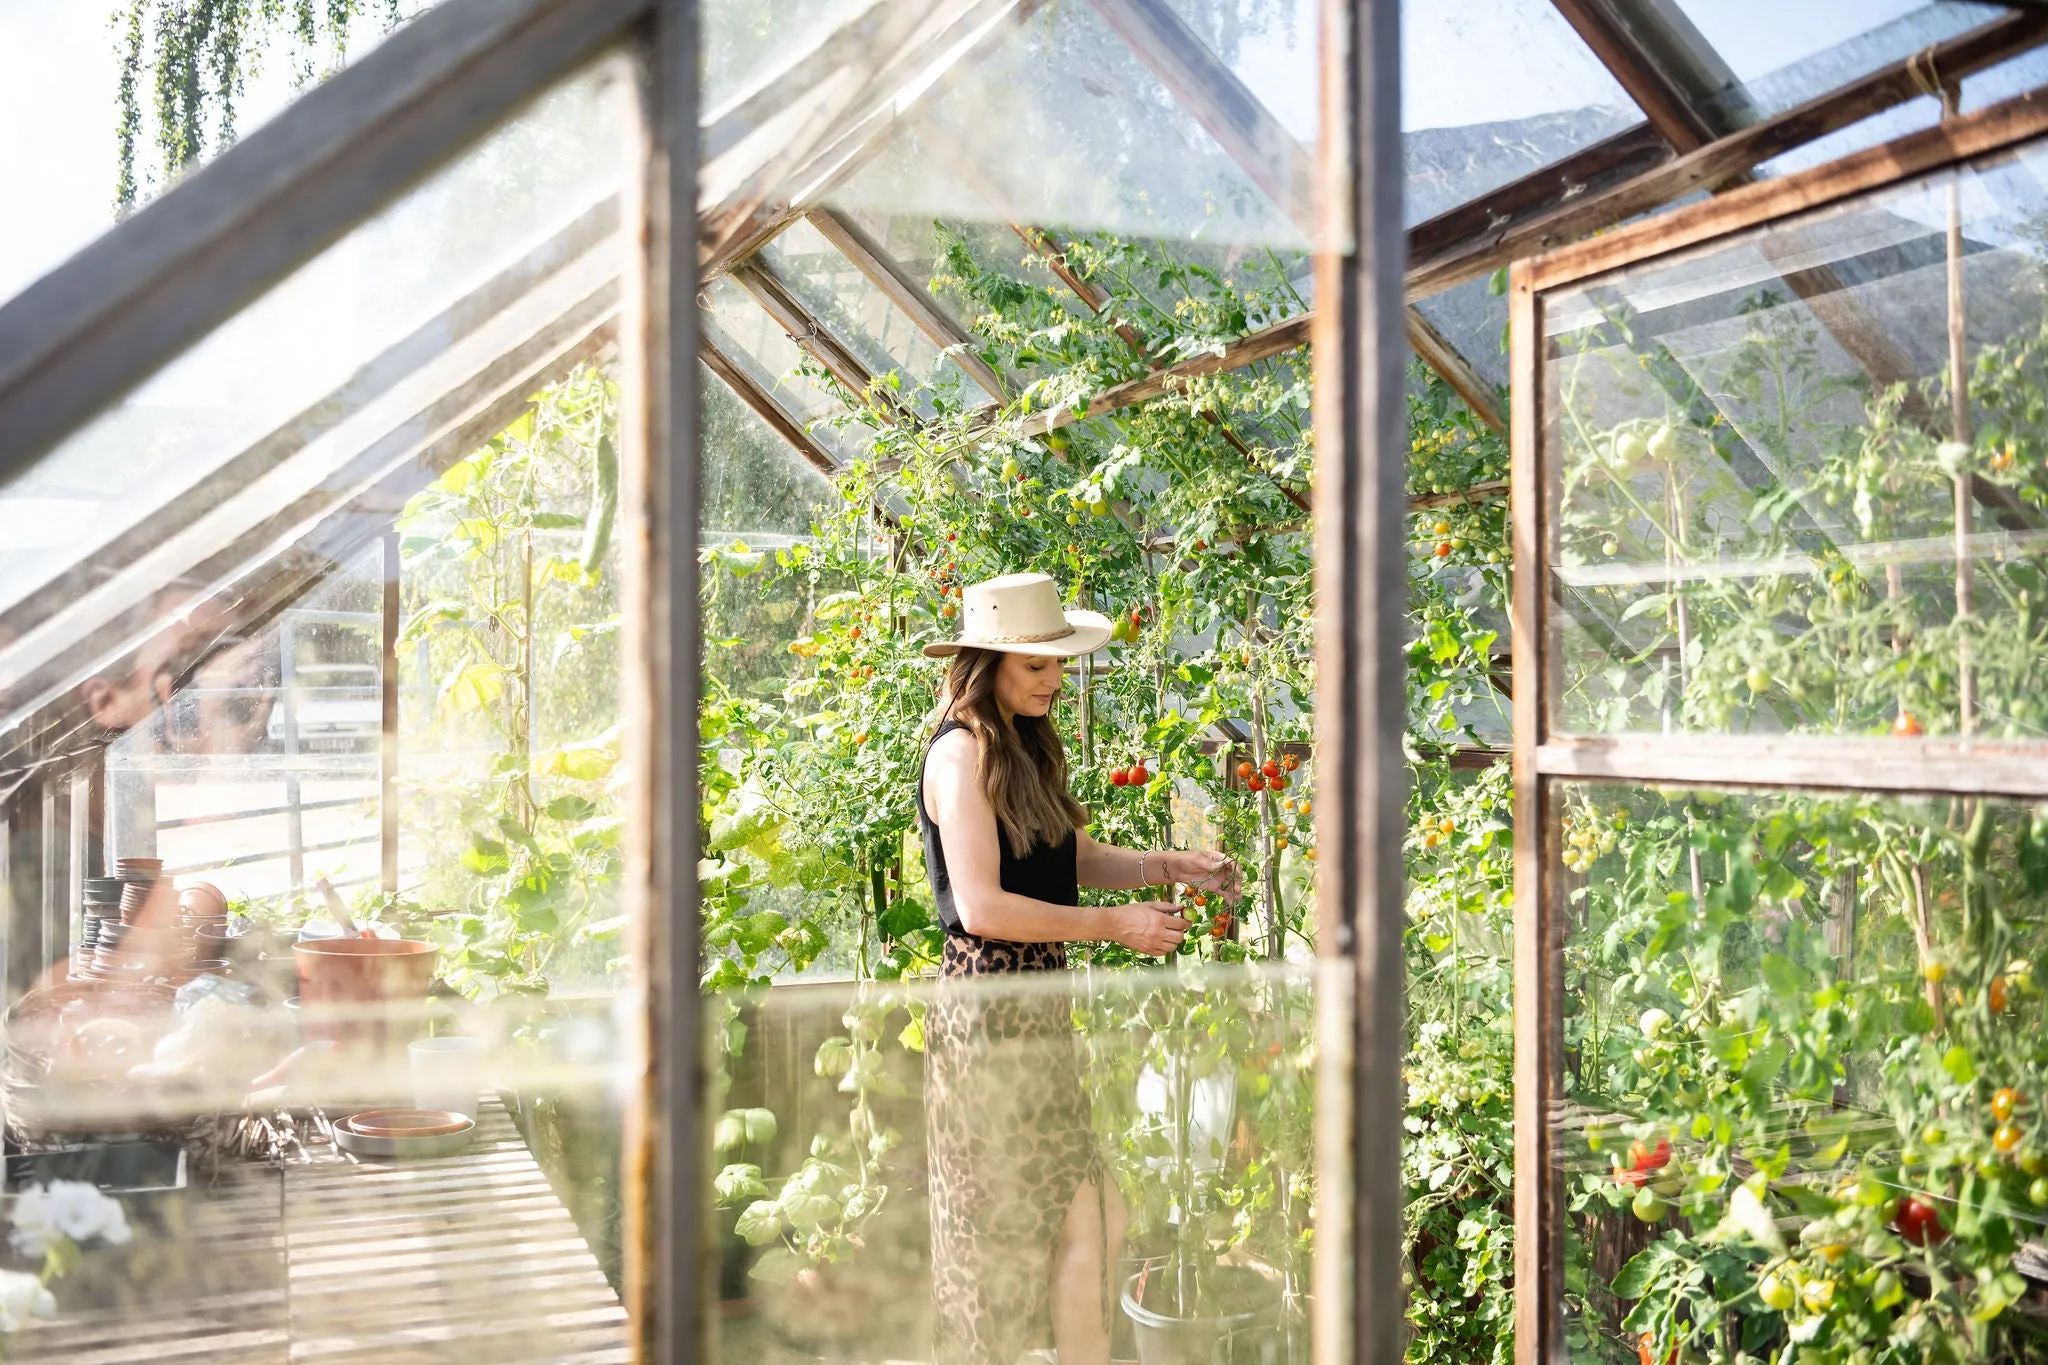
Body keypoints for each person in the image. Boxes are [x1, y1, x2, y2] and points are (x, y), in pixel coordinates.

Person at [917, 572, 1241, 1365]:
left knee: (1092, 1217)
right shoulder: (959, 756)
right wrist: (1113, 926)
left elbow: (1069, 857)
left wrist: (1172, 866)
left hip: (1036, 1008)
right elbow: (984, 907)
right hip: (990, 1015)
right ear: (987, 663)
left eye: (1059, 664)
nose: (1056, 680)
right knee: (1009, 1235)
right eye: (1039, 667)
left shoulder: (1020, 746)